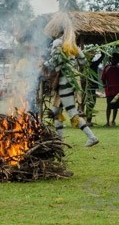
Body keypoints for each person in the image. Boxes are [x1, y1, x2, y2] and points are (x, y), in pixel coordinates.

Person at [43, 11, 99, 147]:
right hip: (71, 81)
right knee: (56, 111)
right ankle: (59, 140)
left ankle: (91, 137)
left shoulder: (58, 42)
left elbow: (54, 61)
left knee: (72, 112)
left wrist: (42, 67)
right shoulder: (73, 45)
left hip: (63, 82)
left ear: (58, 30)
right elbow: (84, 62)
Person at [101, 52, 119, 126]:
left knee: (115, 107)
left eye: (115, 59)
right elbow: (103, 78)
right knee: (109, 106)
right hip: (109, 90)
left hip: (118, 90)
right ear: (111, 59)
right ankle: (107, 122)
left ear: (118, 60)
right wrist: (105, 84)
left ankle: (113, 121)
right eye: (112, 58)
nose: (113, 60)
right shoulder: (106, 67)